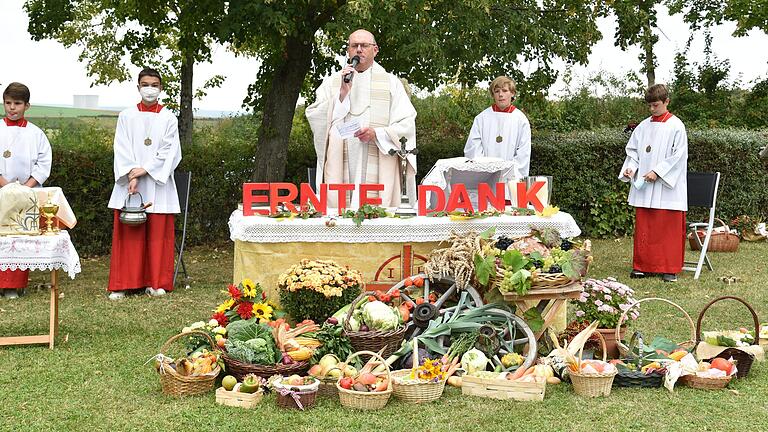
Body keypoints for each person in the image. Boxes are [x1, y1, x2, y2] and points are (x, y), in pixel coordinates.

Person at [306, 29, 417, 210]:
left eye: (364, 45)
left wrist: (378, 133)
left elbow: (407, 122)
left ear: (375, 50)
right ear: (348, 51)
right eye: (354, 46)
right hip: (342, 157)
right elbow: (315, 115)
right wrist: (341, 94)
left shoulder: (391, 83)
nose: (359, 50)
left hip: (378, 151)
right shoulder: (334, 82)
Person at [106, 68, 181, 300]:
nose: (150, 88)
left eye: (155, 84)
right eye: (145, 84)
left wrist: (145, 169)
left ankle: (156, 282)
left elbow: (171, 151)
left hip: (159, 184)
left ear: (161, 88)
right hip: (131, 183)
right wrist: (132, 174)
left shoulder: (169, 117)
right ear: (138, 87)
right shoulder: (126, 116)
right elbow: (121, 147)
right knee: (129, 234)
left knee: (159, 235)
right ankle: (124, 283)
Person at [619, 84, 688, 282]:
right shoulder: (643, 126)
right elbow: (633, 151)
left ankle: (669, 268)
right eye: (649, 106)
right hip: (645, 187)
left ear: (666, 102)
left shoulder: (676, 125)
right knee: (646, 227)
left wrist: (658, 172)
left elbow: (679, 156)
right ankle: (642, 265)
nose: (652, 109)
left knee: (667, 228)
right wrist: (631, 168)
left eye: (656, 105)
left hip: (668, 189)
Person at [0, 82, 52, 299]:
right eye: (8, 103)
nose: (12, 108)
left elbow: (43, 163)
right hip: (1, 190)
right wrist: (6, 186)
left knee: (18, 239)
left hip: (26, 194)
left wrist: (25, 188)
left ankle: (13, 285)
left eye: (17, 103)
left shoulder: (36, 134)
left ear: (27, 105)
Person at [464, 76, 531, 178]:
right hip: (484, 177)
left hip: (510, 178)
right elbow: (473, 149)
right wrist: (486, 171)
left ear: (512, 93)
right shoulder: (481, 118)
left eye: (505, 90)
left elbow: (523, 153)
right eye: (497, 91)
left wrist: (507, 173)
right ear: (493, 94)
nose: (501, 95)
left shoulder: (521, 120)